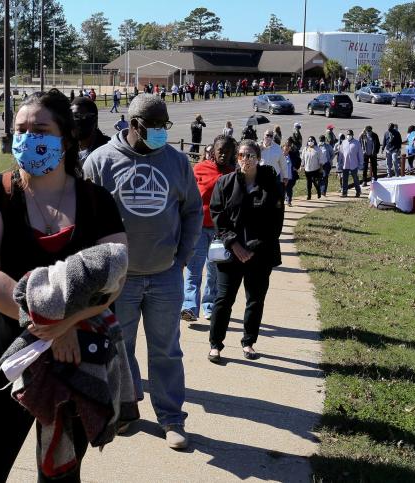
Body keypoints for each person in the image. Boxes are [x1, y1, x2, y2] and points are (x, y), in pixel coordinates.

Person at [0, 88, 127, 482]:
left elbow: (114, 277)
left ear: (65, 138)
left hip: (75, 362)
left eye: (40, 128)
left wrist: (64, 327)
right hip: (4, 356)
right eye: (21, 129)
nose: (28, 137)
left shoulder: (97, 201)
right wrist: (46, 328)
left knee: (61, 475)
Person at [82, 94, 203, 450]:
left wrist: (182, 258)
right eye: (156, 127)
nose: (163, 132)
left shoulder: (178, 162)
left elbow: (193, 211)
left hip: (165, 275)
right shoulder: (100, 162)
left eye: (166, 126)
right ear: (134, 125)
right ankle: (126, 410)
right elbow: (86, 221)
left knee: (166, 351)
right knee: (122, 350)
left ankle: (171, 418)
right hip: (120, 280)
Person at [207, 139, 285, 363]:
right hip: (231, 253)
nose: (246, 159)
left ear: (258, 158)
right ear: (237, 158)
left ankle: (249, 342)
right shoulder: (225, 183)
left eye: (250, 155)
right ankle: (215, 344)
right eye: (241, 155)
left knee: (255, 300)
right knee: (223, 300)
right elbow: (218, 216)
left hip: (260, 255)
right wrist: (235, 244)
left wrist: (252, 248)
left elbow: (276, 222)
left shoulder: (271, 184)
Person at [182, 136, 237, 322]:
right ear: (213, 150)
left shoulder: (234, 173)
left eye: (228, 151)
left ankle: (209, 306)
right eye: (220, 150)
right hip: (197, 228)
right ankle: (189, 306)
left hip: (219, 232)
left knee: (213, 271)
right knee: (193, 269)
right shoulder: (200, 168)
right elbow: (188, 195)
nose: (223, 154)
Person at [70, 96, 110, 166]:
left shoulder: (108, 150)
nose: (75, 121)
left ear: (94, 119)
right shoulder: (65, 149)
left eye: (80, 116)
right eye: (71, 116)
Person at [340, 129, 362, 197]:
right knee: (345, 179)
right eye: (348, 134)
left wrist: (361, 163)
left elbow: (360, 154)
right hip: (345, 164)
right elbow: (340, 153)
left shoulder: (357, 143)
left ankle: (358, 191)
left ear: (352, 135)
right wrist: (339, 163)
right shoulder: (343, 142)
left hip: (354, 164)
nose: (348, 136)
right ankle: (344, 192)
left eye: (350, 134)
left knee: (355, 179)